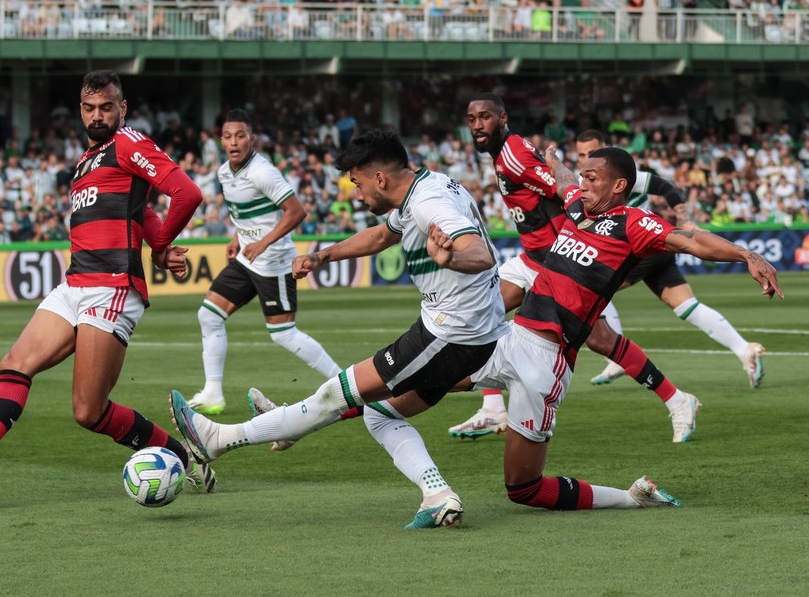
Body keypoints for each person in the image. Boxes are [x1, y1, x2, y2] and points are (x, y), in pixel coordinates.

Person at [177, 143, 783, 524]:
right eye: (583, 172)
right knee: (385, 402)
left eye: (594, 175)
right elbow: (541, 174)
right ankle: (270, 428)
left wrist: (745, 256)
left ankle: (630, 498)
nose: (583, 179)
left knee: (524, 489)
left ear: (619, 186)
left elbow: (692, 240)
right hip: (506, 340)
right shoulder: (574, 207)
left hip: (545, 367)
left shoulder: (632, 223)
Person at [172, 128, 508, 528]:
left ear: (379, 178)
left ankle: (219, 440)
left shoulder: (429, 200)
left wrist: (449, 258)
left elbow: (479, 252)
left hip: (451, 335)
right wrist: (322, 256)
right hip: (470, 333)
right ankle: (437, 495)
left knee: (335, 393)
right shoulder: (423, 186)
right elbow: (382, 235)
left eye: (359, 184)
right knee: (379, 414)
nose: (358, 195)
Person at [0, 70, 215, 495]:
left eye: (107, 107)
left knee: (88, 412)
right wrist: (156, 244)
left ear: (122, 108)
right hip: (74, 284)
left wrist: (160, 245)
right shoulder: (86, 160)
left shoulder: (128, 142)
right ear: (80, 110)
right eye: (89, 108)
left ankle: (183, 457)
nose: (97, 115)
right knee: (15, 363)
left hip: (112, 287)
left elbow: (187, 193)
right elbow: (138, 211)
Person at [449, 96, 700, 444]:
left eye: (485, 117)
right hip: (532, 259)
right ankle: (493, 408)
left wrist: (582, 227)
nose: (477, 125)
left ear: (501, 118)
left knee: (600, 339)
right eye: (471, 118)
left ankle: (677, 399)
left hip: (557, 260)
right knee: (481, 310)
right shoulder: (505, 152)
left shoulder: (513, 155)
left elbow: (565, 189)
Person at [573, 130, 767, 388]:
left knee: (591, 287)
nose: (587, 158)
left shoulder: (621, 175)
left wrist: (684, 218)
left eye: (592, 152)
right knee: (687, 306)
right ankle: (744, 349)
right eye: (582, 154)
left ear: (605, 149)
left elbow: (665, 186)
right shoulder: (584, 181)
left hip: (639, 246)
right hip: (653, 247)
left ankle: (617, 353)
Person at [184, 109, 341, 415]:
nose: (234, 141)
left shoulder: (262, 171)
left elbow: (296, 212)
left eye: (240, 135)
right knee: (209, 316)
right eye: (228, 136)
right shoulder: (223, 173)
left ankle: (342, 380)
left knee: (283, 334)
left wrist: (262, 242)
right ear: (221, 141)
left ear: (251, 139)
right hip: (247, 258)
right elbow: (244, 213)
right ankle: (213, 393)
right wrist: (237, 238)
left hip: (274, 262)